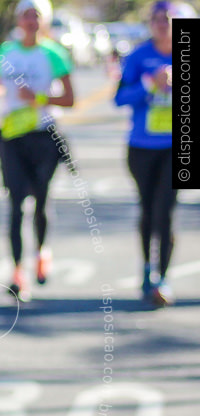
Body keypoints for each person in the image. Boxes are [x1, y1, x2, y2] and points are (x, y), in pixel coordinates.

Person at [0, 0, 74, 301]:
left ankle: (42, 252)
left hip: (44, 136)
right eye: (26, 15)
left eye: (37, 15)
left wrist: (38, 97)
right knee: (16, 204)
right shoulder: (6, 53)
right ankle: (17, 273)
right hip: (11, 137)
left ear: (44, 21)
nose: (31, 20)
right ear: (19, 19)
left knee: (41, 200)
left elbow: (70, 99)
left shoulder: (54, 54)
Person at [114, 1, 195, 307]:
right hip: (142, 147)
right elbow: (120, 98)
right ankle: (147, 268)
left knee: (167, 212)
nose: (162, 24)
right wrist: (150, 83)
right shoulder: (138, 56)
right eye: (157, 18)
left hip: (177, 146)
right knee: (148, 211)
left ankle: (163, 278)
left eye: (169, 18)